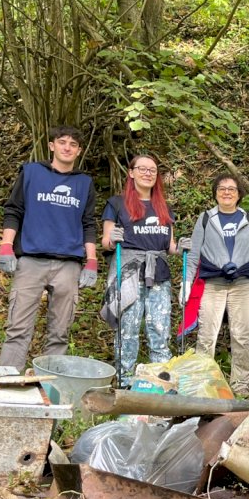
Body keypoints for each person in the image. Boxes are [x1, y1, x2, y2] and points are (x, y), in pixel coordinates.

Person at [0, 125, 97, 372]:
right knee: (18, 328)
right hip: (31, 260)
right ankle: (7, 384)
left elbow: (88, 223)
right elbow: (14, 210)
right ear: (52, 145)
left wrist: (91, 261)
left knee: (60, 333)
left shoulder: (84, 183)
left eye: (73, 145)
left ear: (79, 150)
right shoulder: (32, 172)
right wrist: (6, 246)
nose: (67, 148)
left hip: (69, 265)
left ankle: (50, 390)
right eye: (62, 142)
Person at [99, 155, 187, 386]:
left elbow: (169, 246)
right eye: (143, 169)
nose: (148, 173)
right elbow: (106, 241)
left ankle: (161, 382)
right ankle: (125, 381)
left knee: (159, 327)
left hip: (158, 272)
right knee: (127, 330)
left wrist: (182, 248)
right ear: (131, 173)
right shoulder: (117, 204)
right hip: (128, 271)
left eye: (153, 170)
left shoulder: (163, 207)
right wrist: (112, 239)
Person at [184, 174, 249, 396]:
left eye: (232, 189)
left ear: (239, 194)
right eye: (222, 188)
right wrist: (186, 282)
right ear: (215, 192)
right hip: (213, 283)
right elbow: (194, 253)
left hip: (242, 284)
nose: (227, 192)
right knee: (207, 335)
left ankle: (240, 385)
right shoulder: (206, 218)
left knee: (240, 335)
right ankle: (202, 382)